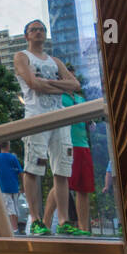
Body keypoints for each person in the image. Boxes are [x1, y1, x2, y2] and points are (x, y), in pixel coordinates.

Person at [14, 20, 80, 236]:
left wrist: (48, 84)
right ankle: (35, 219)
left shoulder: (55, 60)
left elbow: (75, 85)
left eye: (41, 29)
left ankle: (63, 221)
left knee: (62, 169)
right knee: (33, 167)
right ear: (27, 36)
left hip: (60, 120)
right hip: (36, 118)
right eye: (34, 30)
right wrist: (61, 86)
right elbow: (33, 84)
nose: (38, 32)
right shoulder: (22, 57)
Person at [45, 76, 93, 236]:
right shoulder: (57, 96)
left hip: (83, 144)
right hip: (66, 142)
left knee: (83, 188)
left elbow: (89, 118)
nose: (71, 81)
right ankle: (46, 220)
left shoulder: (80, 98)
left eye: (72, 77)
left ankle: (83, 228)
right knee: (64, 183)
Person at [0, 141, 25, 234]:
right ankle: (15, 227)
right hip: (14, 186)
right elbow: (21, 172)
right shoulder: (13, 157)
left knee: (9, 208)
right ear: (8, 146)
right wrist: (23, 186)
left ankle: (13, 229)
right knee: (15, 207)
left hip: (3, 186)